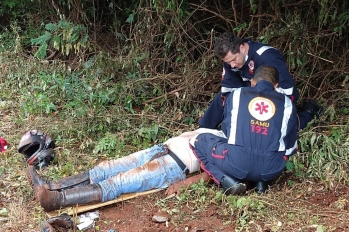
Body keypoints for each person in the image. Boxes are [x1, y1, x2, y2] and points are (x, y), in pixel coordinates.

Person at [27, 128, 226, 212]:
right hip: (161, 149)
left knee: (118, 183)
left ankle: (56, 200)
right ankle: (50, 185)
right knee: (106, 169)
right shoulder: (219, 129)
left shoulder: (233, 149)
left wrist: (186, 182)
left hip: (173, 166)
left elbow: (214, 174)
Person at [191, 65, 298, 194]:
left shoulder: (237, 94)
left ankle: (226, 180)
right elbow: (290, 148)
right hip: (271, 169)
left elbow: (227, 132)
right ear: (275, 85)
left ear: (252, 81)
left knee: (198, 141)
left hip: (236, 163)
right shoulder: (287, 104)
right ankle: (261, 183)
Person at [199, 32, 323, 131]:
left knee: (280, 128)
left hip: (273, 96)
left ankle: (308, 112)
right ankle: (202, 131)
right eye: (228, 62)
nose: (232, 65)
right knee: (220, 99)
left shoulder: (268, 57)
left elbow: (286, 91)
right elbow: (228, 90)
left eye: (234, 60)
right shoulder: (231, 62)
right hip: (249, 95)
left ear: (241, 48)